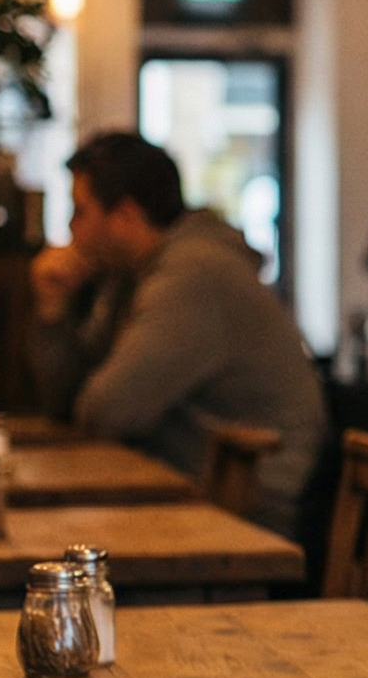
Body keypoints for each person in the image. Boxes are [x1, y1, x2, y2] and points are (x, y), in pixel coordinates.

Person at [31, 132, 325, 534]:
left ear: (125, 216)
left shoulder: (193, 274)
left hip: (255, 505)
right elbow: (67, 403)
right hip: (201, 488)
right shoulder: (131, 276)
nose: (70, 228)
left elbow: (105, 412)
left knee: (68, 545)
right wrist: (53, 308)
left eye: (79, 212)